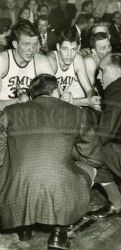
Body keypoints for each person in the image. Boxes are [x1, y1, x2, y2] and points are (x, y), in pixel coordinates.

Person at [0, 73, 97, 249]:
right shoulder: (76, 112)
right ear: (57, 90)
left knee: (15, 171)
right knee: (90, 168)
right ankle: (59, 233)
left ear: (32, 95)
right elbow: (95, 156)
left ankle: (24, 229)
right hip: (60, 191)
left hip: (13, 194)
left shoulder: (9, 112)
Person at [85, 52, 121, 220]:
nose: (98, 76)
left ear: (117, 73)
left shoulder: (116, 91)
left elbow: (102, 137)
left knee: (92, 150)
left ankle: (117, 202)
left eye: (102, 71)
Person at [48, 27, 101, 109]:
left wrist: (93, 99)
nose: (69, 55)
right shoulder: (51, 60)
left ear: (78, 48)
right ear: (58, 47)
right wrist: (87, 101)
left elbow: (89, 90)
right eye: (65, 49)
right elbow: (53, 100)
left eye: (73, 49)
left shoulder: (77, 59)